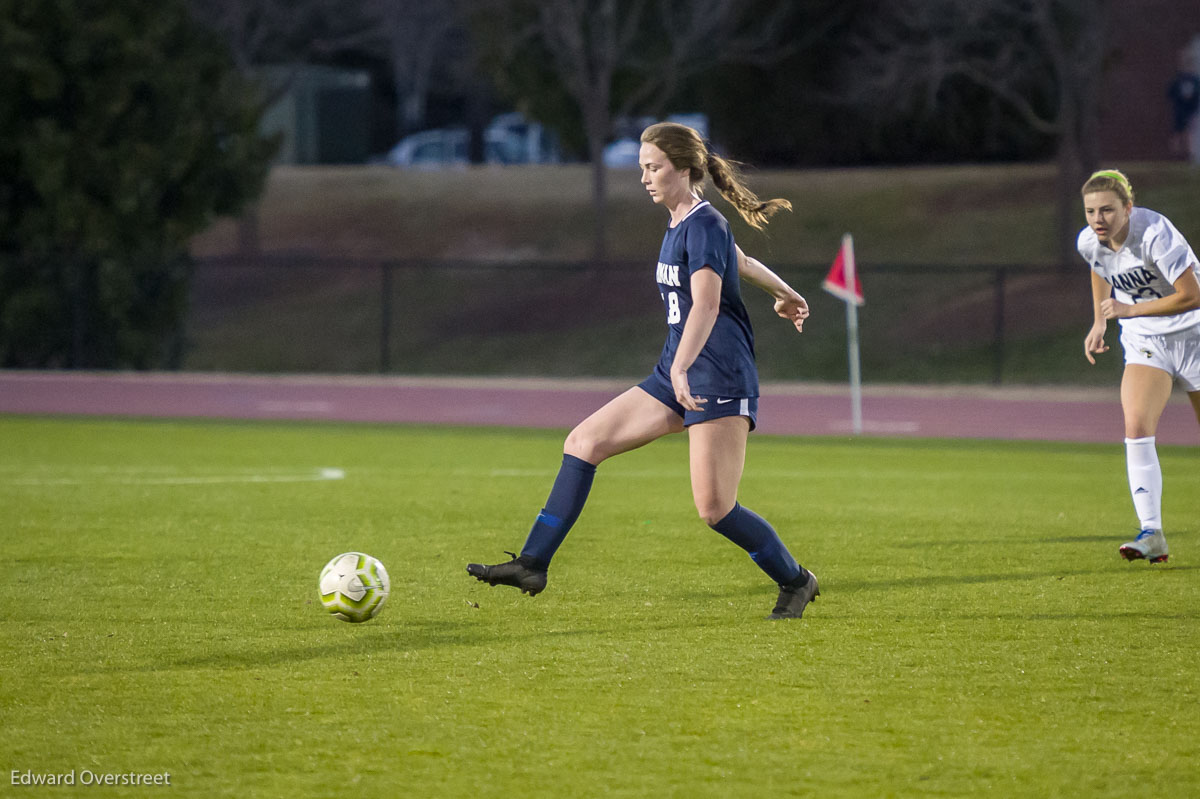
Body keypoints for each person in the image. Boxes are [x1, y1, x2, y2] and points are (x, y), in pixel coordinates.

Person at [467, 121, 818, 619]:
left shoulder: (705, 222)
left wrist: (681, 369)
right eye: (642, 168)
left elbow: (707, 305)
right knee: (583, 442)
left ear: (684, 169)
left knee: (715, 510)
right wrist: (785, 292)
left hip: (718, 378)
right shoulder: (686, 222)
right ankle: (532, 563)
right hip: (677, 374)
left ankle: (797, 580)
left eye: (653, 168)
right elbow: (737, 259)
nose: (645, 178)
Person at [1079, 169, 1200, 563]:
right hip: (1146, 341)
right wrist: (1100, 321)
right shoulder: (1090, 242)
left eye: (1108, 210)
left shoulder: (1153, 232)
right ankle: (1153, 533)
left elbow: (1191, 295)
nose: (1099, 219)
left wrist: (1130, 308)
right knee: (1136, 427)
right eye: (1091, 211)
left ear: (1128, 208)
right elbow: (1100, 270)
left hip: (1194, 335)